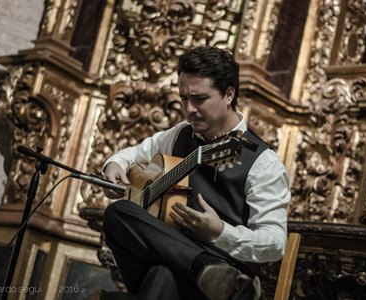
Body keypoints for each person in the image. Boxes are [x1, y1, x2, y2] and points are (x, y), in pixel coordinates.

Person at [101, 46, 291, 300]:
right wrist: (114, 167)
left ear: (228, 94)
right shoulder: (181, 133)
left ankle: (213, 273)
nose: (189, 109)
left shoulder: (263, 163)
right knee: (118, 213)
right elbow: (134, 154)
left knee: (160, 277)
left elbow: (275, 243)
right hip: (181, 268)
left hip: (228, 277)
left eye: (199, 99)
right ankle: (200, 266)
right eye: (183, 99)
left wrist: (219, 232)